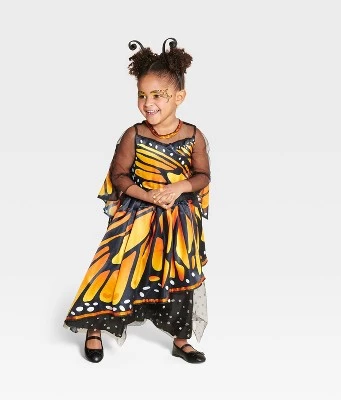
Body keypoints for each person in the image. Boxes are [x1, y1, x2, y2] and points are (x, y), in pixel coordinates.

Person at [63, 37, 211, 364]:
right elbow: (118, 176)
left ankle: (181, 339)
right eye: (142, 95)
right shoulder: (134, 135)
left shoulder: (194, 135)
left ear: (179, 97)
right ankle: (94, 328)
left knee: (178, 274)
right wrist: (148, 195)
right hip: (136, 217)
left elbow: (203, 175)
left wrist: (179, 187)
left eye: (157, 95)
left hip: (177, 219)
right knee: (115, 267)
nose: (148, 103)